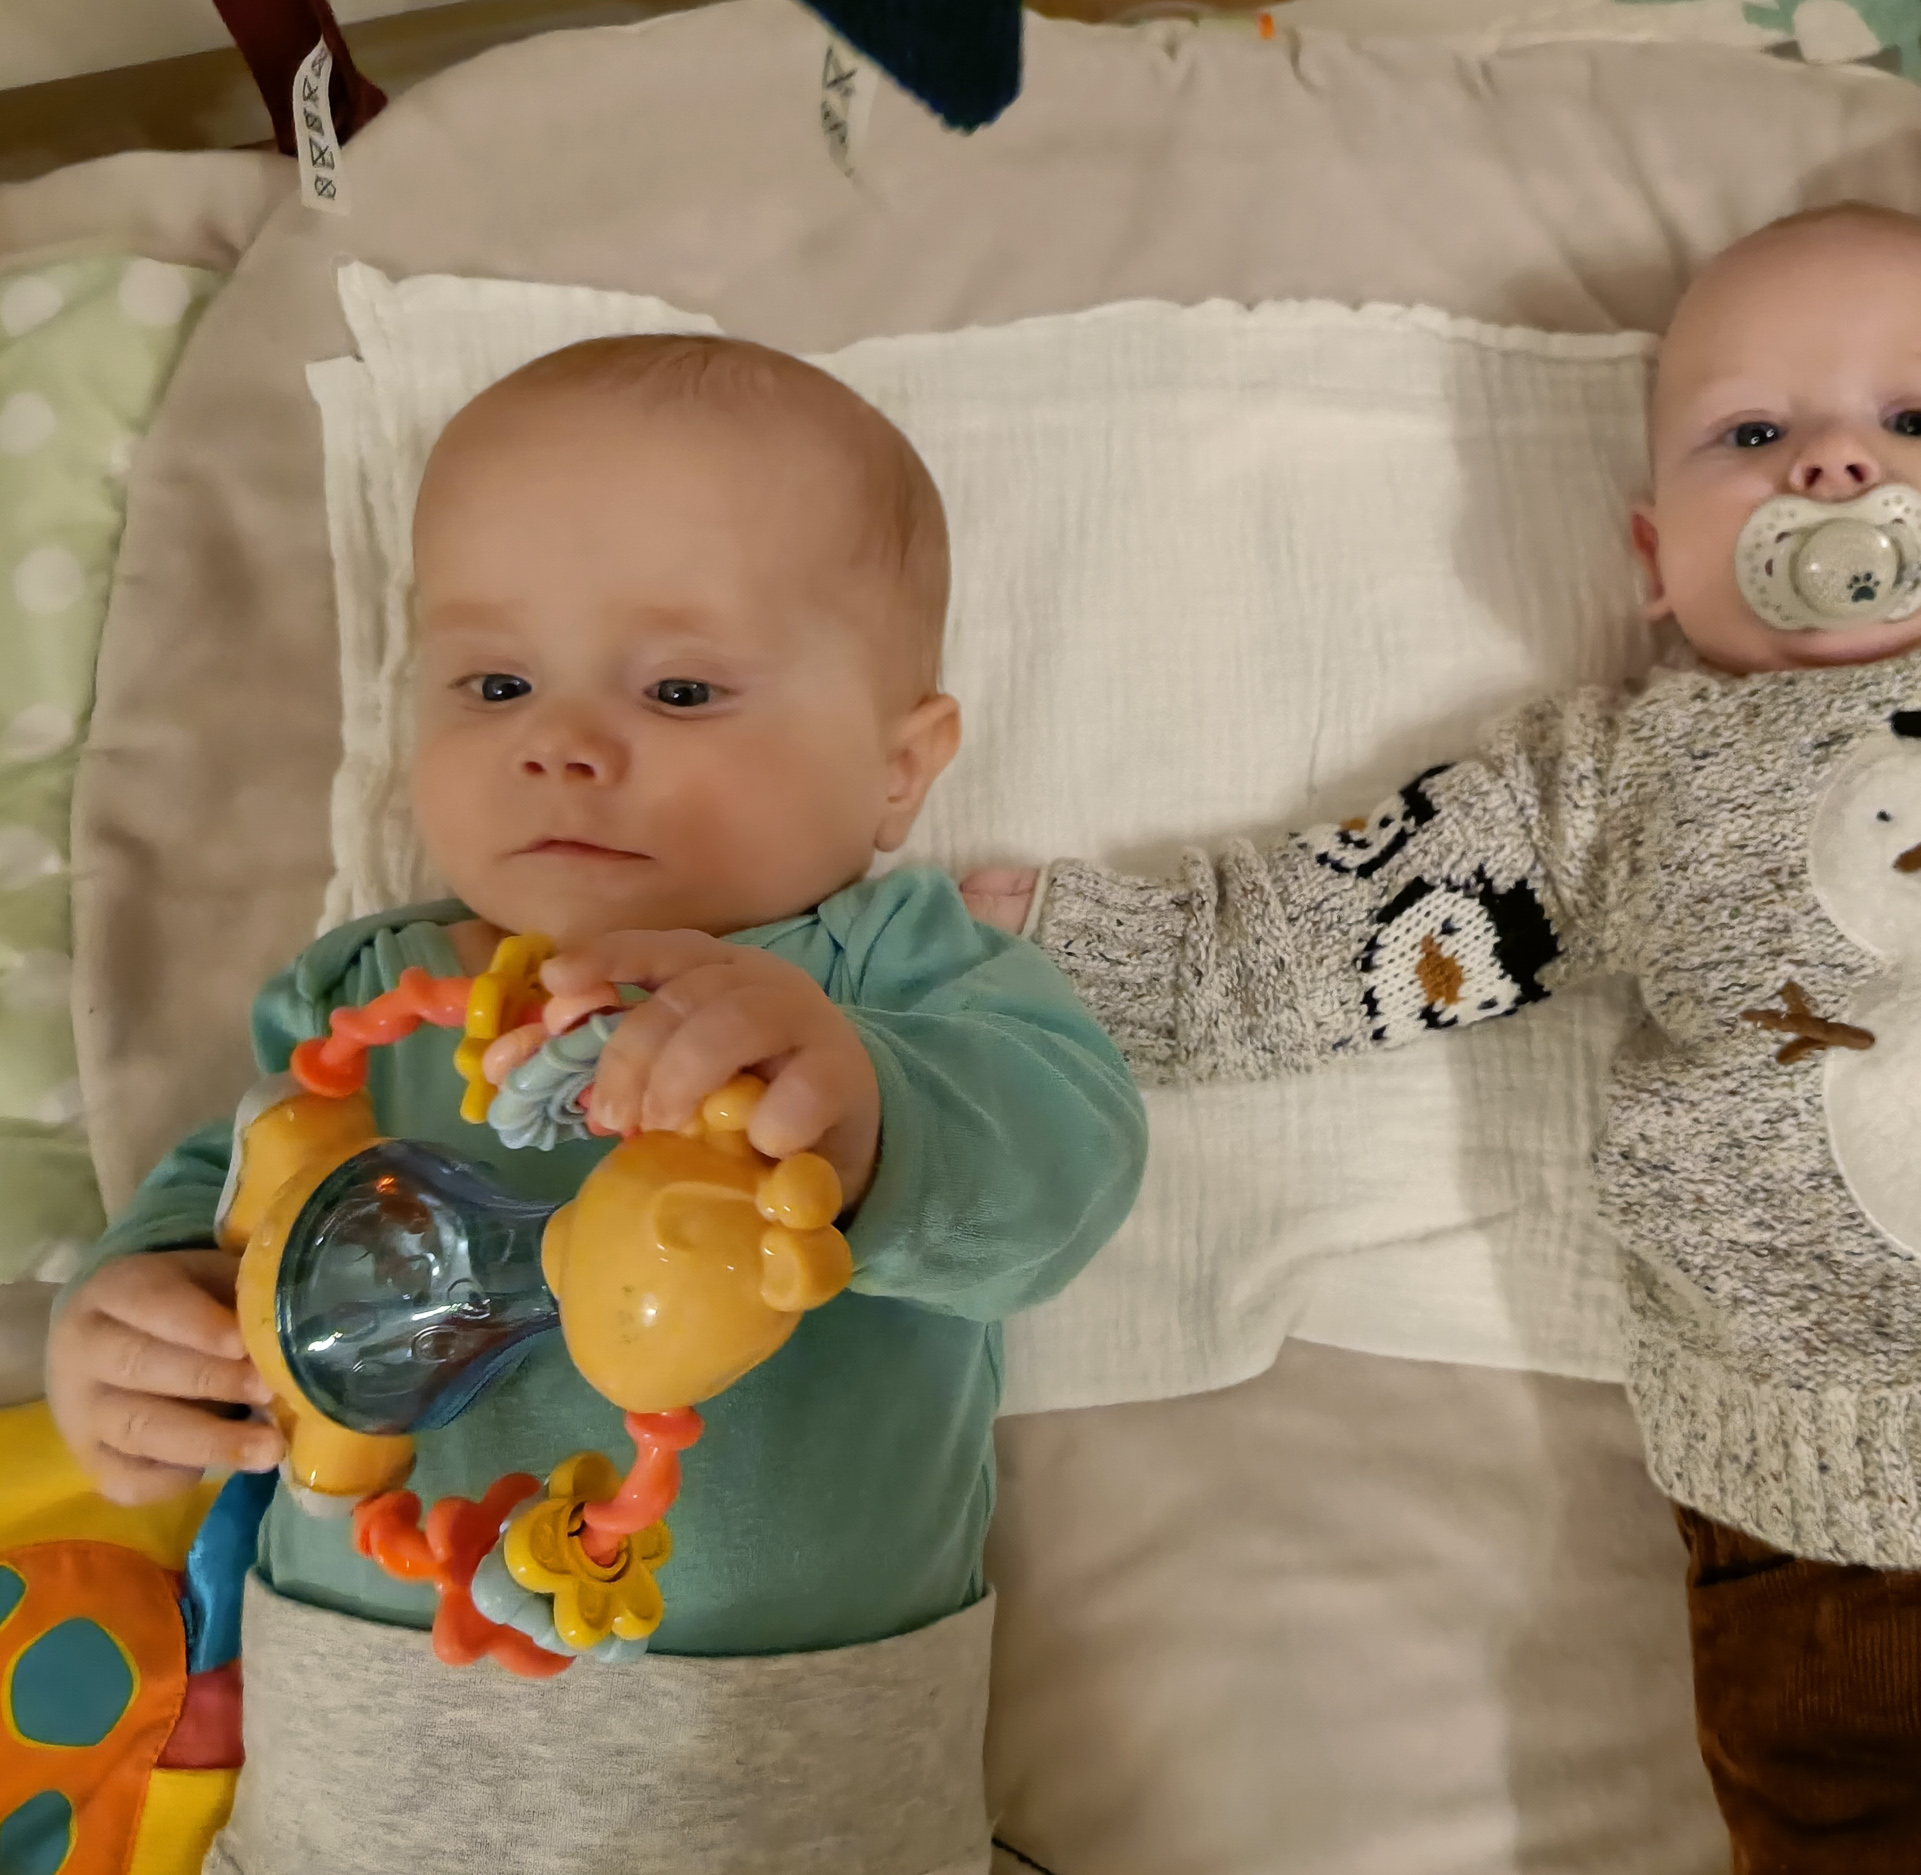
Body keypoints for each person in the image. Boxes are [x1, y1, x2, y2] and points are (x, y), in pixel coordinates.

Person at [960, 206, 1921, 1871]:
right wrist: (1097, 960)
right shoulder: (1623, 778)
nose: (1834, 464)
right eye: (1751, 437)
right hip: (1859, 1555)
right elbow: (1368, 922)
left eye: (1917, 419)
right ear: (1657, 560)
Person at [47, 334, 1148, 1875]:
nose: (557, 743)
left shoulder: (891, 975)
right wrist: (133, 1326)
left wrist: (861, 1116)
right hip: (357, 1781)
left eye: (682, 688)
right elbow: (224, 1210)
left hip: (790, 1791)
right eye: (495, 683)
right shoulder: (361, 999)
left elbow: (1062, 1180)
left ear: (900, 770)